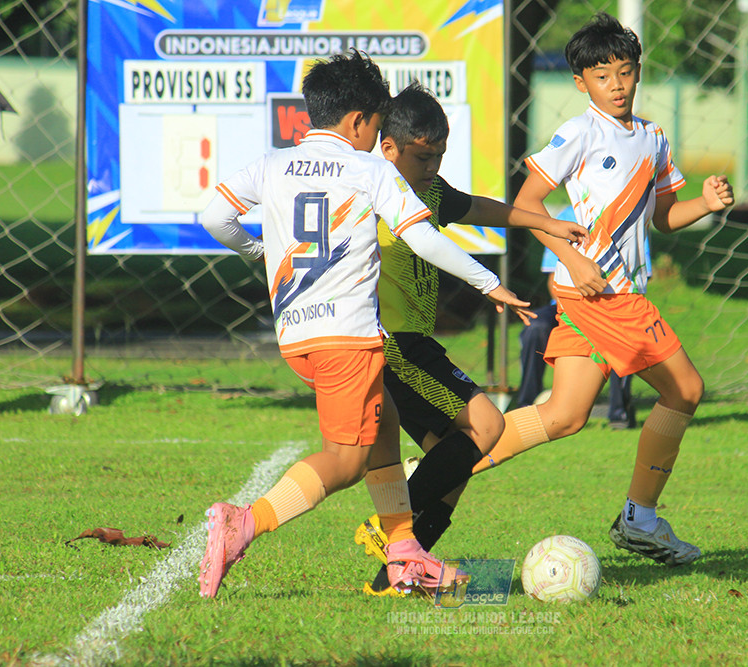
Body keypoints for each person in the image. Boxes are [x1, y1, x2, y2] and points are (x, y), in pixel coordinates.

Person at [195, 50, 533, 598]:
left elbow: (215, 216)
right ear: (359, 121)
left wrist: (256, 249)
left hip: (297, 336)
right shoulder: (368, 168)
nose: (378, 137)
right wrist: (487, 282)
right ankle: (246, 522)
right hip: (348, 338)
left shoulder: (272, 164)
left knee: (382, 429)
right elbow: (422, 235)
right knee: (346, 460)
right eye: (377, 124)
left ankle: (404, 554)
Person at [472, 12, 734, 566]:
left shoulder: (653, 138)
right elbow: (525, 205)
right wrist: (571, 256)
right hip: (604, 297)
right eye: (601, 76)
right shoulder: (579, 133)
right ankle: (640, 519)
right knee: (684, 390)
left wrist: (705, 206)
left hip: (595, 296)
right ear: (580, 84)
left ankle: (443, 463)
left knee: (564, 414)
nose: (615, 85)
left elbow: (664, 216)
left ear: (637, 73)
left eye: (624, 72)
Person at [352, 82, 589, 596]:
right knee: (487, 422)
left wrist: (543, 221)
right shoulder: (372, 193)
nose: (432, 165)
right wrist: (489, 284)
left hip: (415, 343)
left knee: (451, 463)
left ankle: (393, 581)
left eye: (439, 154)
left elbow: (480, 208)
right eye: (423, 156)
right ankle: (390, 529)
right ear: (387, 148)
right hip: (392, 343)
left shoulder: (431, 192)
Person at [514, 244, 636, 430]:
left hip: (610, 305)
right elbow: (553, 282)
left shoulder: (632, 219)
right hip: (565, 304)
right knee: (536, 326)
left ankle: (620, 413)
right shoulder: (564, 218)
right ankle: (526, 408)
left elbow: (636, 279)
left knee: (622, 334)